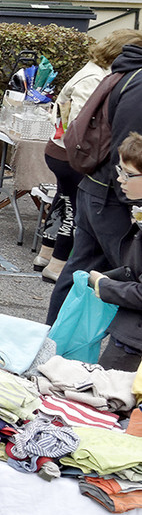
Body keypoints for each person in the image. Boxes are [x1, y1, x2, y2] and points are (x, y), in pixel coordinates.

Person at [50, 34, 142, 321]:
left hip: (99, 187)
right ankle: (120, 350)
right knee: (130, 277)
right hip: (112, 193)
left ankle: (51, 344)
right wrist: (132, 198)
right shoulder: (138, 81)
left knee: (79, 271)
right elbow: (127, 146)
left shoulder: (125, 73)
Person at [86, 132, 142, 372]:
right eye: (120, 171)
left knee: (108, 400)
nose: (120, 179)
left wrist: (104, 286)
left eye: (128, 174)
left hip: (134, 340)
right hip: (131, 332)